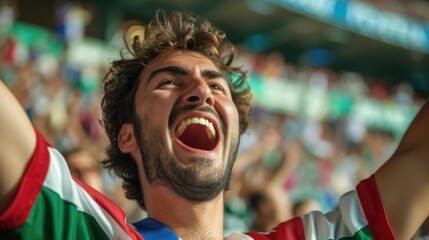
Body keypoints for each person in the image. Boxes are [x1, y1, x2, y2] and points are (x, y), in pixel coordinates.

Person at [0, 10, 428, 240]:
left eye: (215, 86)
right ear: (127, 136)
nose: (201, 92)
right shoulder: (86, 229)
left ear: (236, 136)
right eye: (169, 81)